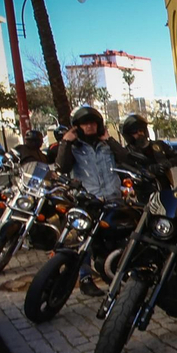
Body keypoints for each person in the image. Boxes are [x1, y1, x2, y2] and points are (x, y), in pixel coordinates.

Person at [56, 105, 130, 295]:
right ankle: (85, 278)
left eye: (93, 123)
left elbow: (126, 158)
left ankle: (120, 273)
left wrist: (110, 139)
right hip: (89, 199)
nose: (89, 126)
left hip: (113, 198)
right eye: (84, 123)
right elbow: (62, 167)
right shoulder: (74, 148)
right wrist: (66, 142)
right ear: (77, 127)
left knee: (122, 235)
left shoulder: (107, 146)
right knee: (84, 240)